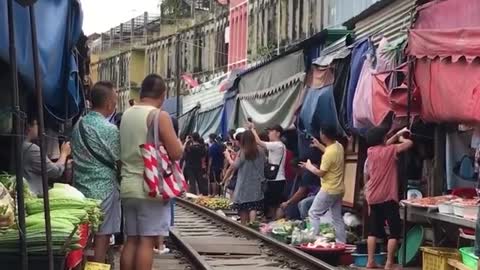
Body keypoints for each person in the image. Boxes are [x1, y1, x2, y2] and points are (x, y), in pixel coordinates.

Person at [119, 74, 183, 270]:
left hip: (128, 186)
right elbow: (176, 152)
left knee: (131, 240)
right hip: (151, 187)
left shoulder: (127, 114)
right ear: (163, 95)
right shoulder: (158, 115)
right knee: (147, 242)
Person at [71, 81, 121, 263]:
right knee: (102, 237)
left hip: (81, 188)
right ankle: (97, 267)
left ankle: (80, 265)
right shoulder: (110, 129)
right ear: (109, 104)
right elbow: (120, 160)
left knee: (83, 235)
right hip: (105, 188)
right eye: (115, 102)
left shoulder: (78, 125)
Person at [363, 127, 413, 269]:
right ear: (383, 140)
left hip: (372, 196)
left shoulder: (370, 152)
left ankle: (370, 261)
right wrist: (402, 138)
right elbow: (409, 144)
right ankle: (389, 263)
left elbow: (384, 143)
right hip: (388, 196)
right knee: (394, 231)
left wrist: (395, 135)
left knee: (372, 231)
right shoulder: (390, 150)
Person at [300, 126, 346, 243]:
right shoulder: (338, 146)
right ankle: (341, 242)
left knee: (313, 213)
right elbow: (330, 153)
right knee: (337, 218)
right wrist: (319, 146)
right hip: (339, 189)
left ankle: (312, 239)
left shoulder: (328, 154)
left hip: (328, 189)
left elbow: (321, 173)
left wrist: (309, 167)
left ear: (324, 136)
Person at [223, 130, 265, 225]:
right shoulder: (261, 151)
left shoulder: (243, 152)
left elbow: (235, 165)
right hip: (257, 182)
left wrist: (228, 157)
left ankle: (244, 225)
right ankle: (253, 225)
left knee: (243, 206)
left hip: (244, 183)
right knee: (253, 206)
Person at [23, 117, 71, 196]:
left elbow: (46, 166)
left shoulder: (18, 146)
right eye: (36, 124)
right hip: (32, 195)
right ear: (29, 127)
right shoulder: (31, 149)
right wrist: (64, 154)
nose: (38, 127)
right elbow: (55, 172)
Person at [249, 124, 286, 220]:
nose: (269, 133)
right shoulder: (280, 145)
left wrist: (252, 129)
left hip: (276, 179)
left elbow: (258, 142)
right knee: (273, 203)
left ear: (278, 133)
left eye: (271, 131)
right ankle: (272, 222)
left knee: (273, 204)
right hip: (276, 178)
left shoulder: (277, 145)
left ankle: (272, 223)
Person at [223, 128, 244, 200]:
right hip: (240, 177)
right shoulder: (242, 150)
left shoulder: (241, 151)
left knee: (233, 197)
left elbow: (234, 166)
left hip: (238, 177)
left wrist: (228, 156)